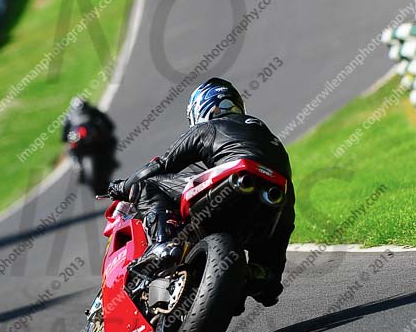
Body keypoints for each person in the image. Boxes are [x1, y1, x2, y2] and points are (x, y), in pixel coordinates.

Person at [108, 78, 295, 309]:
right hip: (270, 201)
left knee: (149, 186)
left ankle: (161, 245)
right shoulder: (272, 140)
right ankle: (251, 275)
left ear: (200, 108)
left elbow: (162, 165)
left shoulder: (207, 127)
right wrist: (271, 276)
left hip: (231, 183)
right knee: (259, 286)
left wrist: (121, 186)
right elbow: (286, 221)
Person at [62, 97, 118, 181]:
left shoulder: (92, 111)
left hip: (95, 140)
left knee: (111, 140)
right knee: (69, 149)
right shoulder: (69, 117)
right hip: (84, 142)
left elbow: (108, 124)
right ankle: (77, 165)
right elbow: (109, 125)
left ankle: (110, 160)